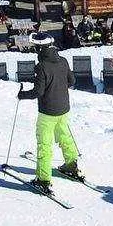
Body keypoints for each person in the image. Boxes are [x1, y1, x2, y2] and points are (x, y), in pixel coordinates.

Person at [19, 36, 82, 192]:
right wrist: (58, 86)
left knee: (45, 144)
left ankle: (43, 179)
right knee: (65, 136)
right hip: (63, 108)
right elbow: (72, 81)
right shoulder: (63, 61)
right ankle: (71, 165)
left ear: (40, 48)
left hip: (48, 112)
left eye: (35, 47)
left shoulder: (41, 67)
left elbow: (38, 92)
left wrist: (22, 95)